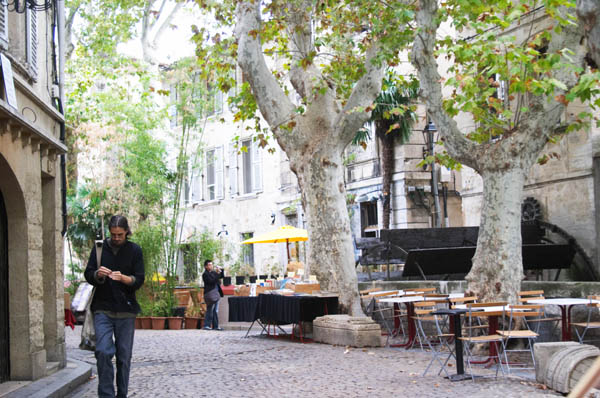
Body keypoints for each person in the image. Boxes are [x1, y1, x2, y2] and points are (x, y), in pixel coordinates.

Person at [84, 215, 145, 398]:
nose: (116, 238)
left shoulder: (135, 250)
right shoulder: (99, 248)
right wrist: (98, 275)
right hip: (103, 308)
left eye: (120, 234)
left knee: (124, 357)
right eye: (113, 234)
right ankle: (106, 395)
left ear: (127, 232)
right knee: (103, 351)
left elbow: (139, 279)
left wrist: (125, 279)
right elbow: (88, 274)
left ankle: (122, 395)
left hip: (126, 310)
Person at [202, 259, 223, 330]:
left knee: (215, 310)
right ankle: (206, 325)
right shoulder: (205, 274)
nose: (211, 266)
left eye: (211, 264)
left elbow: (220, 277)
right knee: (210, 309)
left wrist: (221, 270)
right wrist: (217, 274)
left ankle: (216, 326)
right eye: (209, 265)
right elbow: (211, 281)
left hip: (216, 293)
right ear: (206, 266)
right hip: (210, 294)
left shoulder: (213, 272)